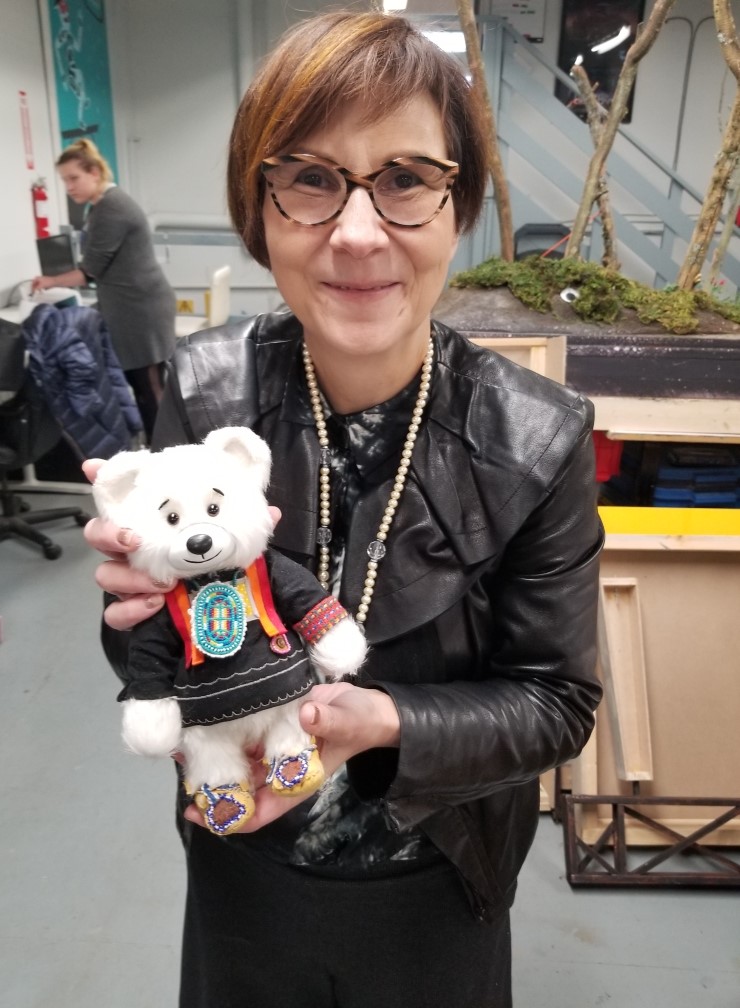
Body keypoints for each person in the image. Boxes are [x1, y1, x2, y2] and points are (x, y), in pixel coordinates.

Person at [84, 11, 604, 1007]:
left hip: (442, 877)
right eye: (312, 178)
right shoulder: (206, 388)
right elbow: (157, 637)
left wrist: (382, 720)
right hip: (244, 868)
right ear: (262, 207)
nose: (359, 232)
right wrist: (132, 618)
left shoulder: (538, 437)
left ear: (459, 210)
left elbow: (556, 702)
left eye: (407, 179)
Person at [32, 138, 176, 442]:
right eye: (64, 180)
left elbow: (89, 271)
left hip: (140, 310)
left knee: (150, 388)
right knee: (144, 385)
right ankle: (159, 449)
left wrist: (49, 281)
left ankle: (166, 454)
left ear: (95, 172)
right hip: (133, 305)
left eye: (74, 178)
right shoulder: (102, 206)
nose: (69, 187)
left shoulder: (111, 207)